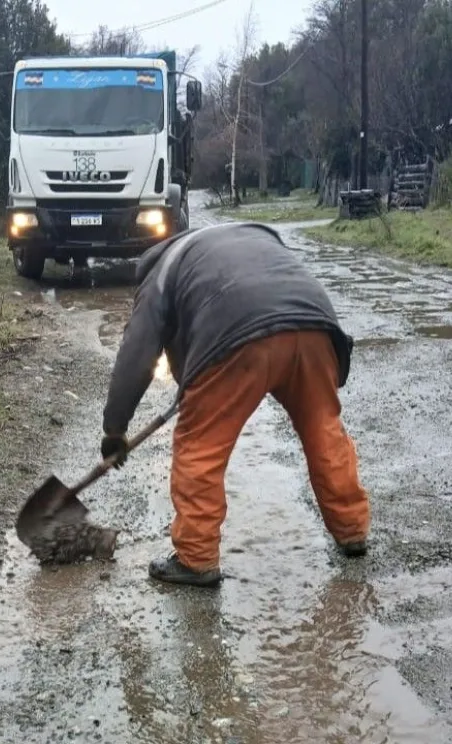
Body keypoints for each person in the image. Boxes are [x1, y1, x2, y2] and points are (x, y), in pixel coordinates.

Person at [100, 222, 370, 588]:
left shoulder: (161, 271)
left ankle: (196, 559)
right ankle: (352, 529)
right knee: (324, 429)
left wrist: (115, 428)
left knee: (200, 446)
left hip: (238, 337)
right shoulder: (252, 238)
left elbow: (137, 351)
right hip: (315, 327)